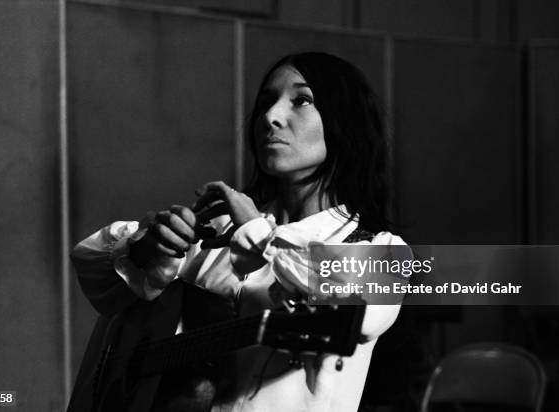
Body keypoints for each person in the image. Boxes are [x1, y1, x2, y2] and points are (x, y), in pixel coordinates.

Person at [70, 52, 405, 411]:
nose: (270, 117)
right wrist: (145, 251)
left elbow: (348, 311)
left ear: (346, 122)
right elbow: (96, 275)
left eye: (301, 101)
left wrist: (260, 234)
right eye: (265, 103)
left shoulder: (382, 250)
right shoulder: (216, 229)